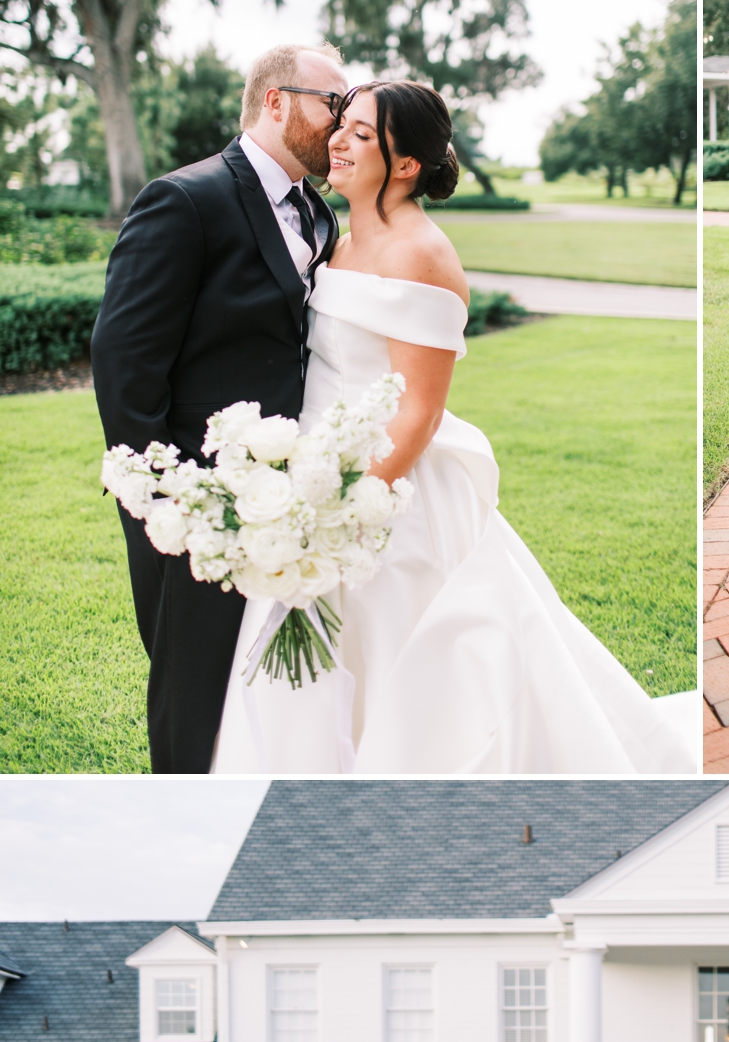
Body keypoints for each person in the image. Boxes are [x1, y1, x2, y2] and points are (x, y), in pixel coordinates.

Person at [210, 79, 694, 774]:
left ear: (406, 165)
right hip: (312, 475)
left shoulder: (422, 255)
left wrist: (344, 510)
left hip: (386, 494)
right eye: (341, 124)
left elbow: (419, 411)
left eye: (362, 134)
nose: (339, 140)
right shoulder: (339, 240)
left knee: (408, 666)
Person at [92, 41, 348, 773]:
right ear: (277, 102)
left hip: (284, 499)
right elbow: (125, 362)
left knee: (259, 696)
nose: (343, 120)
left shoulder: (317, 214)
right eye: (332, 103)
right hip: (193, 505)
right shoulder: (186, 199)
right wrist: (168, 504)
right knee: (192, 689)